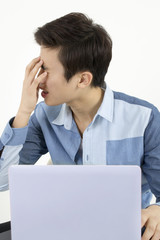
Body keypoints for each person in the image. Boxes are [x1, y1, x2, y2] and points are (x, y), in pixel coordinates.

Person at [0, 12, 160, 239]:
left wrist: (157, 210)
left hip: (122, 231)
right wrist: (24, 111)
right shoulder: (44, 115)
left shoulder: (144, 118)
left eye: (46, 69)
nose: (38, 79)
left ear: (83, 79)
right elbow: (1, 181)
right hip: (60, 227)